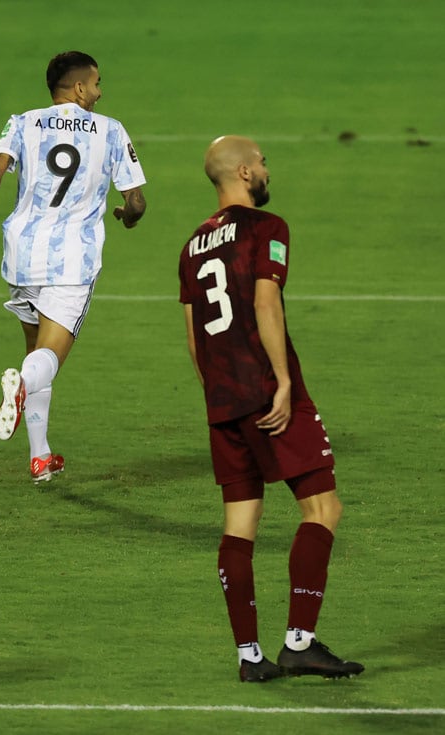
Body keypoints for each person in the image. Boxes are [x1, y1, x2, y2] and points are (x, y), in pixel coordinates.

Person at [178, 135, 364, 683]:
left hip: (223, 401)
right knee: (322, 510)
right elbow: (265, 301)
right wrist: (282, 382)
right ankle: (300, 642)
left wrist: (221, 397)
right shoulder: (267, 228)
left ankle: (249, 656)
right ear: (241, 171)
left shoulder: (191, 246)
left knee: (240, 525)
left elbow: (193, 339)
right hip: (267, 391)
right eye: (260, 160)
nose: (265, 167)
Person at [0, 50, 147, 482]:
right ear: (79, 88)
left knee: (36, 354)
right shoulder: (111, 131)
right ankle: (19, 387)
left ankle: (40, 457)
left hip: (21, 256)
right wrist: (127, 216)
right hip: (71, 261)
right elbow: (136, 200)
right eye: (96, 83)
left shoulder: (22, 122)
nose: (100, 92)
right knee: (47, 360)